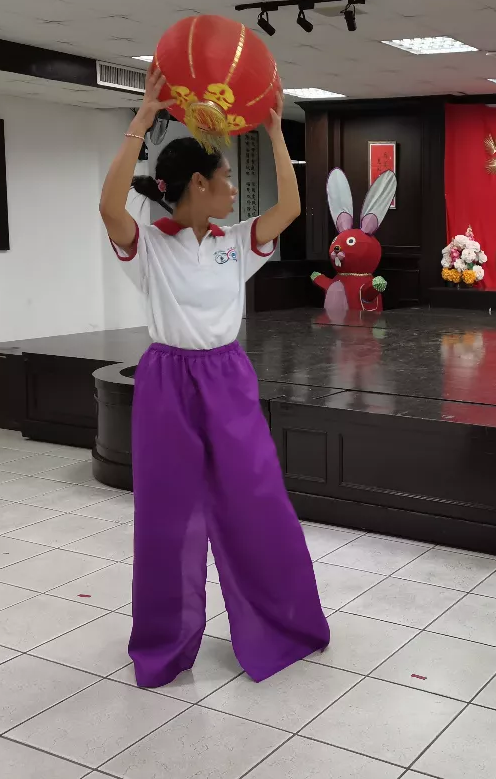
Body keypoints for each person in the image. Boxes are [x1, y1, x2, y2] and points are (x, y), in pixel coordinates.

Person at [99, 68, 329, 688]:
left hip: (227, 377)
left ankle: (283, 624)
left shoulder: (237, 241)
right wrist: (142, 121)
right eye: (226, 177)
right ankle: (164, 641)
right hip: (166, 381)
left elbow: (291, 207)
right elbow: (109, 206)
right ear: (198, 184)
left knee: (258, 502)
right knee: (166, 515)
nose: (233, 188)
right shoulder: (148, 244)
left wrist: (276, 133)